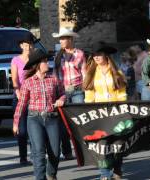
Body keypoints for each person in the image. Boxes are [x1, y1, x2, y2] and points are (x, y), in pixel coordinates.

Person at [13, 48, 65, 180]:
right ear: (37, 65)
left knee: (55, 151)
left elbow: (63, 94)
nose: (47, 64)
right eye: (45, 62)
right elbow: (22, 103)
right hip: (34, 118)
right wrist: (16, 123)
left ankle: (51, 174)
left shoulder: (53, 80)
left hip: (52, 117)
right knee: (39, 152)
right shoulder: (28, 82)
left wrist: (61, 100)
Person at [83, 42, 126, 180]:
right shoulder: (90, 73)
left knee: (117, 145)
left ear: (106, 55)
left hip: (115, 113)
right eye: (94, 55)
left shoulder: (116, 72)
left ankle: (118, 169)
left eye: (99, 54)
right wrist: (89, 113)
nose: (96, 57)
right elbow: (89, 96)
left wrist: (122, 109)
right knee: (102, 145)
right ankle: (105, 174)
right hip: (99, 114)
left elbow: (122, 94)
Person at [52, 27, 86, 160]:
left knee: (79, 120)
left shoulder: (80, 54)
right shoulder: (58, 56)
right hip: (63, 91)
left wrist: (85, 89)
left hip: (77, 90)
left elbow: (85, 73)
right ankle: (66, 151)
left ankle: (82, 150)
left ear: (71, 39)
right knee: (63, 123)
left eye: (63, 38)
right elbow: (56, 75)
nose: (61, 41)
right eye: (60, 38)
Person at [11, 34, 34, 165]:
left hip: (33, 97)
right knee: (23, 129)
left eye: (29, 44)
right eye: (25, 44)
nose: (27, 46)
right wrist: (18, 91)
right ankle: (23, 157)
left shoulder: (35, 58)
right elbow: (14, 79)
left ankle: (35, 154)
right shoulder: (16, 60)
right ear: (21, 46)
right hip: (20, 96)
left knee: (33, 128)